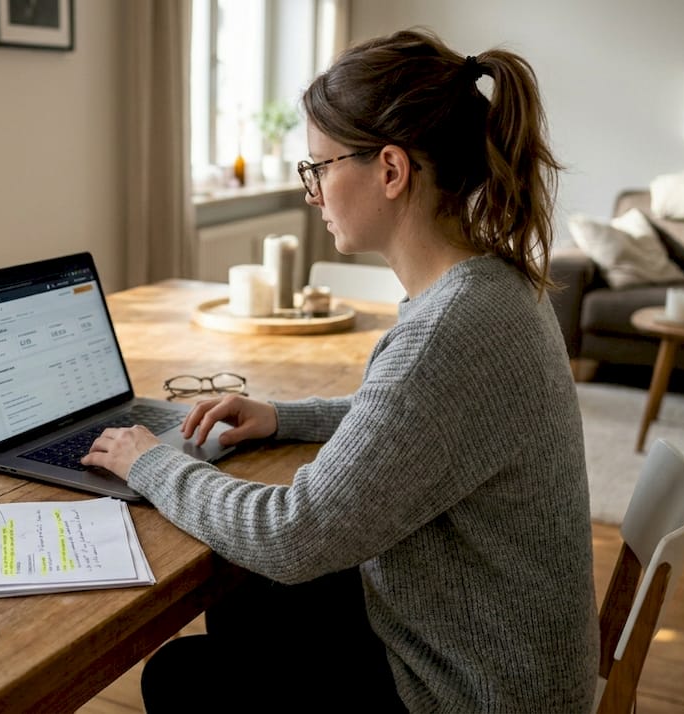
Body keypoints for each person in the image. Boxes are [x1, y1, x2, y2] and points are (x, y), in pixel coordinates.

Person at [82, 27, 598, 713]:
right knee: (251, 604)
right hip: (491, 646)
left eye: (319, 167)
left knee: (182, 673)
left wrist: (149, 462)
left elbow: (289, 534)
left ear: (390, 170)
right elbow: (411, 423)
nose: (312, 193)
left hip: (474, 691)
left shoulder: (449, 329)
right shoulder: (487, 287)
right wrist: (283, 417)